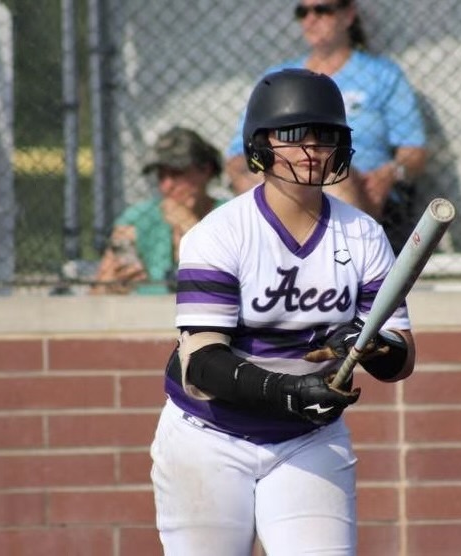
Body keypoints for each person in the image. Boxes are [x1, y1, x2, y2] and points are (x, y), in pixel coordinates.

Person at [150, 68, 416, 555]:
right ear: (260, 145)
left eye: (325, 135)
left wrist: (368, 344)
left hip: (308, 438)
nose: (310, 148)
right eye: (293, 135)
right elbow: (201, 366)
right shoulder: (220, 233)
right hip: (208, 434)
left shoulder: (363, 234)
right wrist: (287, 391)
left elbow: (401, 360)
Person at [225, 0, 427, 253]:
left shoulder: (381, 74)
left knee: (332, 176)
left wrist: (390, 173)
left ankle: (350, 261)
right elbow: (237, 156)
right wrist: (253, 178)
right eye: (302, 12)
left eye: (322, 10)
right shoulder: (279, 79)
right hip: (287, 174)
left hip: (362, 187)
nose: (311, 19)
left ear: (348, 15)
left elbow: (414, 151)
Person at [91, 126, 224, 295]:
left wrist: (190, 226)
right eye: (161, 176)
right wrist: (108, 287)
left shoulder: (232, 215)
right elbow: (96, 291)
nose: (167, 186)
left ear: (206, 170)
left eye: (177, 173)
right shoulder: (138, 218)